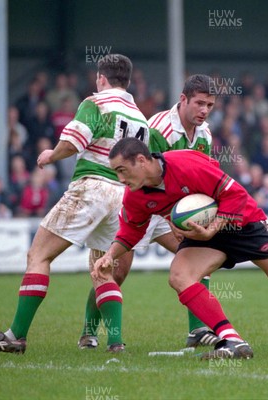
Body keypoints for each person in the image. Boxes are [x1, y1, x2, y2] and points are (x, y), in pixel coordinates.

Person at [92, 137, 268, 358]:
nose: (120, 179)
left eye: (122, 170)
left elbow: (235, 194)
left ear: (141, 160)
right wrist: (109, 256)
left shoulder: (186, 165)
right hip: (205, 234)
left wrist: (214, 227)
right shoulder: (135, 196)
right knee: (180, 275)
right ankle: (233, 340)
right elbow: (131, 230)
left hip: (243, 223)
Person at [0, 54, 148, 354]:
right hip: (123, 197)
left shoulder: (95, 102)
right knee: (103, 270)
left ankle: (16, 334)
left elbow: (74, 140)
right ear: (128, 82)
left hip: (91, 187)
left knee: (39, 255)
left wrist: (51, 155)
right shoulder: (140, 118)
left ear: (101, 78)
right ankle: (116, 342)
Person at [77, 74, 221, 349]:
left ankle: (197, 330)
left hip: (170, 211)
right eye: (199, 103)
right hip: (141, 205)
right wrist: (172, 215)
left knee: (198, 256)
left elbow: (201, 176)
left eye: (210, 105)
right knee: (116, 272)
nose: (204, 110)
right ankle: (88, 331)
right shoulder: (158, 129)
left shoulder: (204, 134)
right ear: (183, 100)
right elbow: (141, 176)